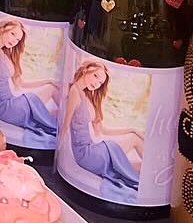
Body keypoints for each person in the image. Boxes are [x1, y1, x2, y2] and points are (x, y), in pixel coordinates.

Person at [59, 60, 143, 195]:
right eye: (95, 76)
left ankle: (151, 179)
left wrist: (130, 129)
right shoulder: (75, 91)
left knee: (136, 165)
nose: (96, 83)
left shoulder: (89, 97)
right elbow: (66, 122)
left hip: (92, 149)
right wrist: (58, 152)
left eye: (100, 83)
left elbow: (102, 131)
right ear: (86, 70)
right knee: (132, 140)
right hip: (85, 154)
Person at [0, 19, 57, 143]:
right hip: (5, 108)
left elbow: (21, 84)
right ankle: (58, 126)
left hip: (11, 102)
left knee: (50, 88)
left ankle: (57, 124)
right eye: (12, 34)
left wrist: (48, 81)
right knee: (38, 95)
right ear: (3, 29)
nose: (14, 41)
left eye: (17, 40)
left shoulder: (6, 54)